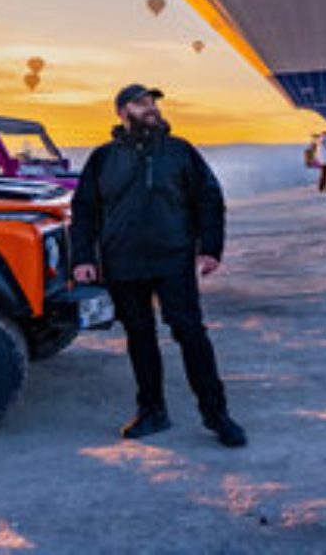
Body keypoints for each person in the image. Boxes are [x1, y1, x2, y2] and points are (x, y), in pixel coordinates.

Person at [70, 84, 246, 447]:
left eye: (152, 102)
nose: (150, 108)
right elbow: (84, 209)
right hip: (122, 262)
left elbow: (209, 199)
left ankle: (217, 415)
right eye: (140, 103)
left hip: (173, 258)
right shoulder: (103, 157)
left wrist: (210, 248)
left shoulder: (180, 152)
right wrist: (83, 258)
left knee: (190, 333)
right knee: (139, 337)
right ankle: (152, 411)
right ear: (122, 112)